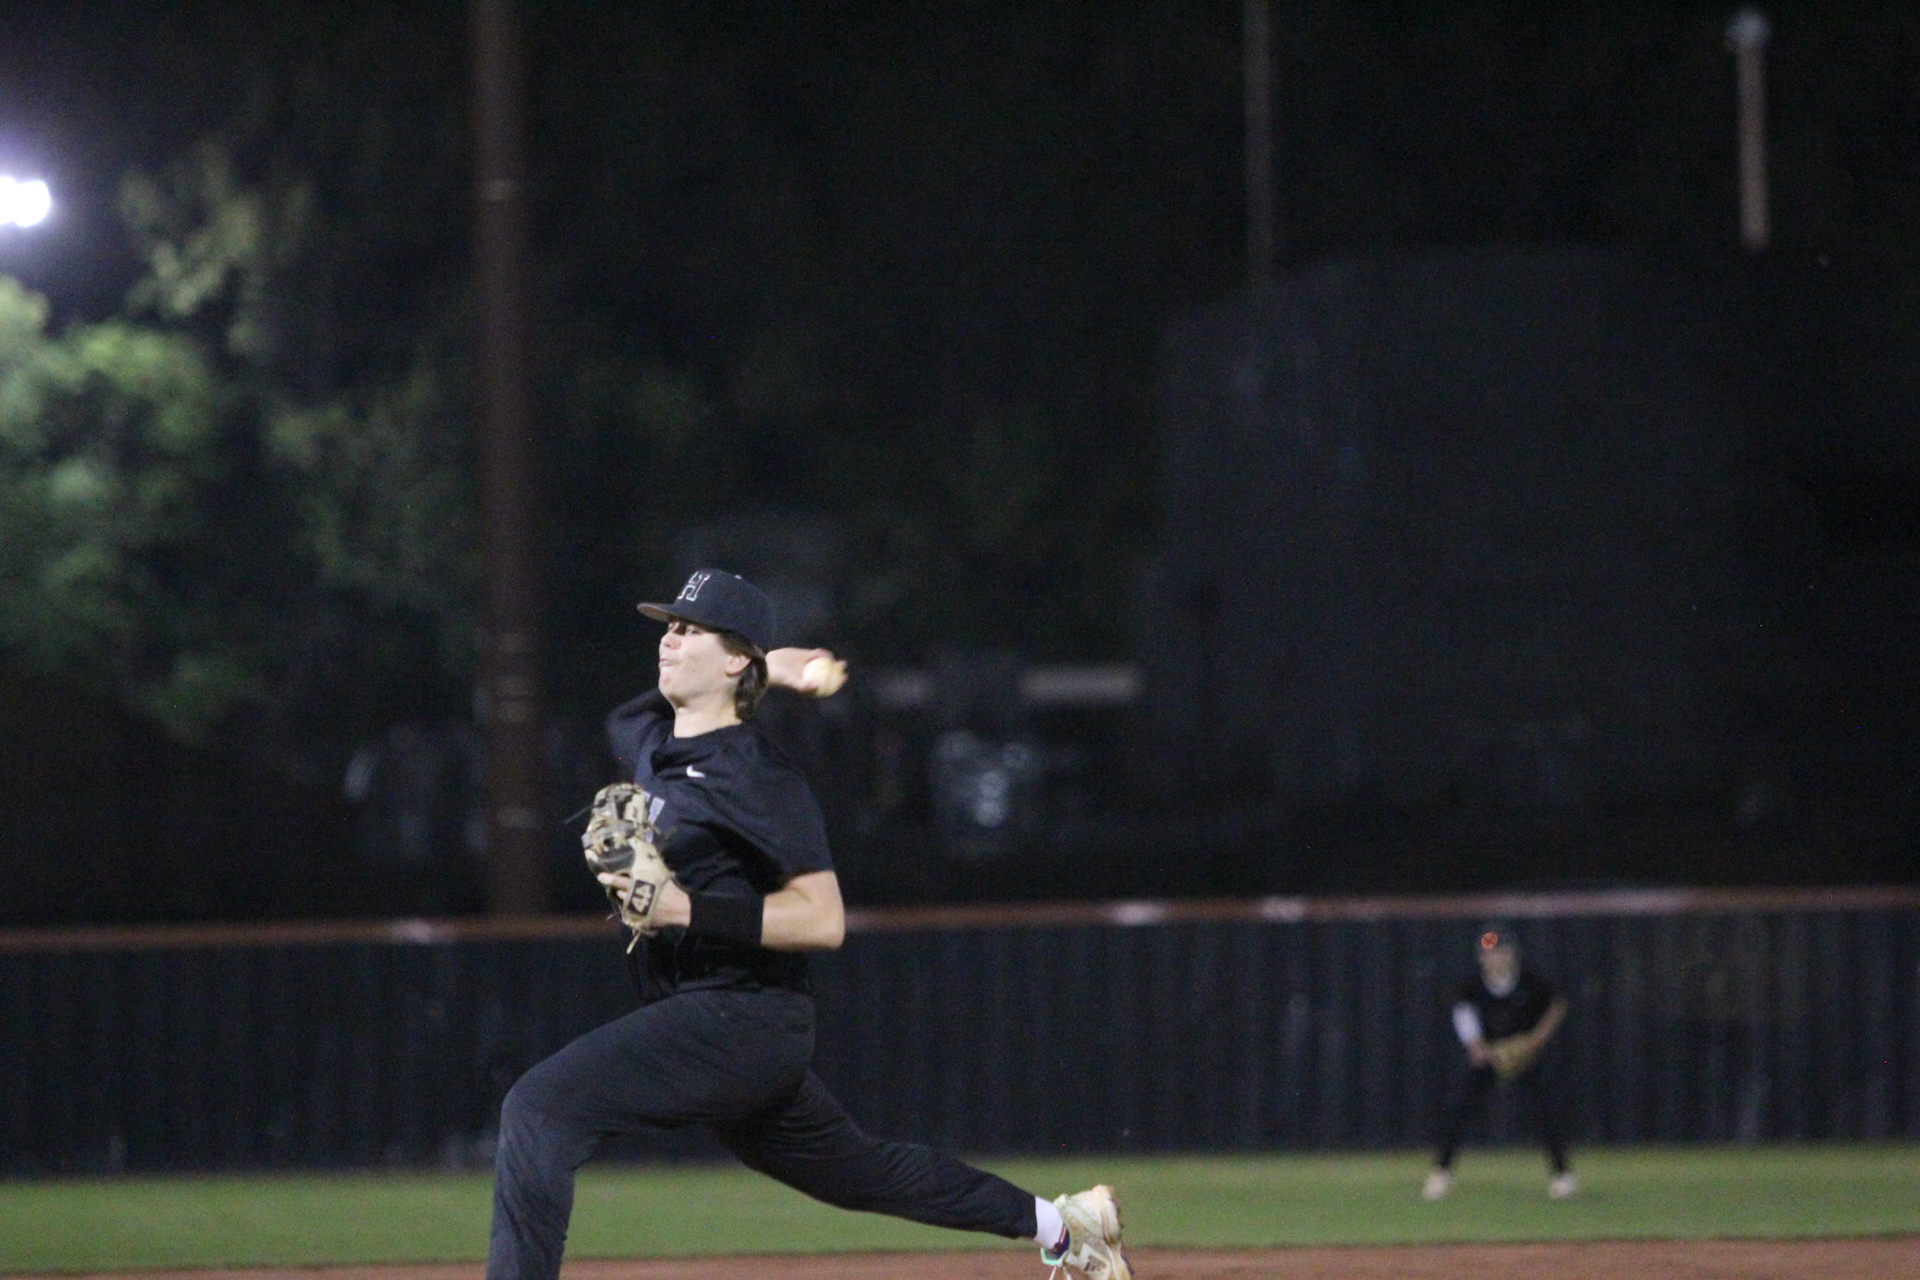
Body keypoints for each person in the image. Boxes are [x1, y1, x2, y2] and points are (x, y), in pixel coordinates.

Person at [486, 569, 1129, 1280]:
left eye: (690, 629)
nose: (668, 638)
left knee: (539, 1109)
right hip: (710, 1018)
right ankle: (1066, 1227)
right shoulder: (648, 741)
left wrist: (681, 908)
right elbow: (628, 715)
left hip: (741, 1018)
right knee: (863, 1173)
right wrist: (776, 668)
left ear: (733, 658)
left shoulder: (759, 776)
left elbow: (823, 919)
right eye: (668, 625)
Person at [1421, 921, 1575, 1201]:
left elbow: (1557, 1004)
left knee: (1546, 1112)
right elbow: (1463, 1013)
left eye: (1500, 952)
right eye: (1488, 953)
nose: (1494, 958)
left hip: (1525, 1054)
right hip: (1490, 1054)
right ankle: (1440, 1173)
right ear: (1481, 958)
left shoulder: (1529, 980)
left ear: (1511, 954)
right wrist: (1475, 1046)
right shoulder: (1472, 984)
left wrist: (1536, 1040)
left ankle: (1562, 1175)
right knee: (1458, 1110)